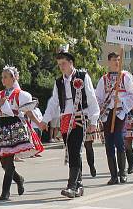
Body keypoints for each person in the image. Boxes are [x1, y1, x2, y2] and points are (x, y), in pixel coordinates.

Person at [40, 45, 100, 198]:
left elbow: (92, 98)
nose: (61, 67)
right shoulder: (59, 82)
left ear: (71, 63)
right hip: (65, 118)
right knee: (72, 151)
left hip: (80, 116)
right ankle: (79, 185)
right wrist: (45, 119)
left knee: (74, 150)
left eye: (63, 64)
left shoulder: (82, 76)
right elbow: (54, 102)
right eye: (59, 64)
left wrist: (93, 120)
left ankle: (71, 185)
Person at [0, 66, 39, 200]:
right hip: (0, 126)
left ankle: (5, 191)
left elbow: (28, 111)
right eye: (2, 77)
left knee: (9, 160)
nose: (3, 79)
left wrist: (39, 123)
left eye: (6, 77)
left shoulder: (20, 94)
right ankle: (19, 179)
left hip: (14, 126)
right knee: (4, 162)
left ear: (13, 78)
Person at [94, 52, 133, 185]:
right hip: (107, 116)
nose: (116, 62)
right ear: (109, 62)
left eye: (118, 60)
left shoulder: (125, 78)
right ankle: (113, 175)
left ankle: (122, 173)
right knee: (109, 145)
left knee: (120, 142)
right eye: (114, 60)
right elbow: (98, 98)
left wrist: (122, 100)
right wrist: (101, 109)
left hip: (120, 114)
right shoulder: (104, 79)